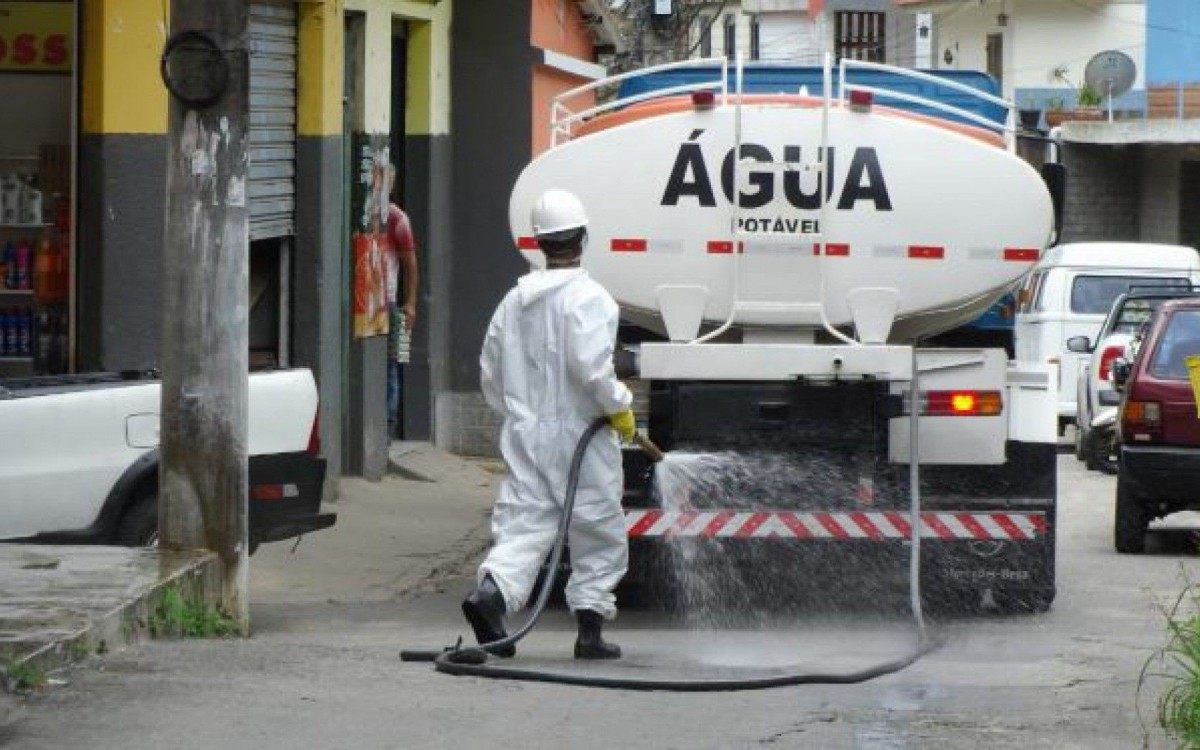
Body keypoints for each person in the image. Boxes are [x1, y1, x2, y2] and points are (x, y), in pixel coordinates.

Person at [462, 188, 637, 660]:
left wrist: (519, 416)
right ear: (583, 237)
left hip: (526, 432)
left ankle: (491, 597)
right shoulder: (592, 299)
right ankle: (590, 634)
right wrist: (618, 405)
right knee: (597, 527)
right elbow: (590, 368)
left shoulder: (512, 302)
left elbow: (490, 372)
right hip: (581, 432)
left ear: (539, 244)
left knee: (526, 522)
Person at [383, 166, 419, 439]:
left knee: (392, 365)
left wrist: (410, 304)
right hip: (366, 305)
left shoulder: (397, 219)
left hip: (390, 305)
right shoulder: (365, 217)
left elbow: (410, 264)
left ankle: (388, 425)